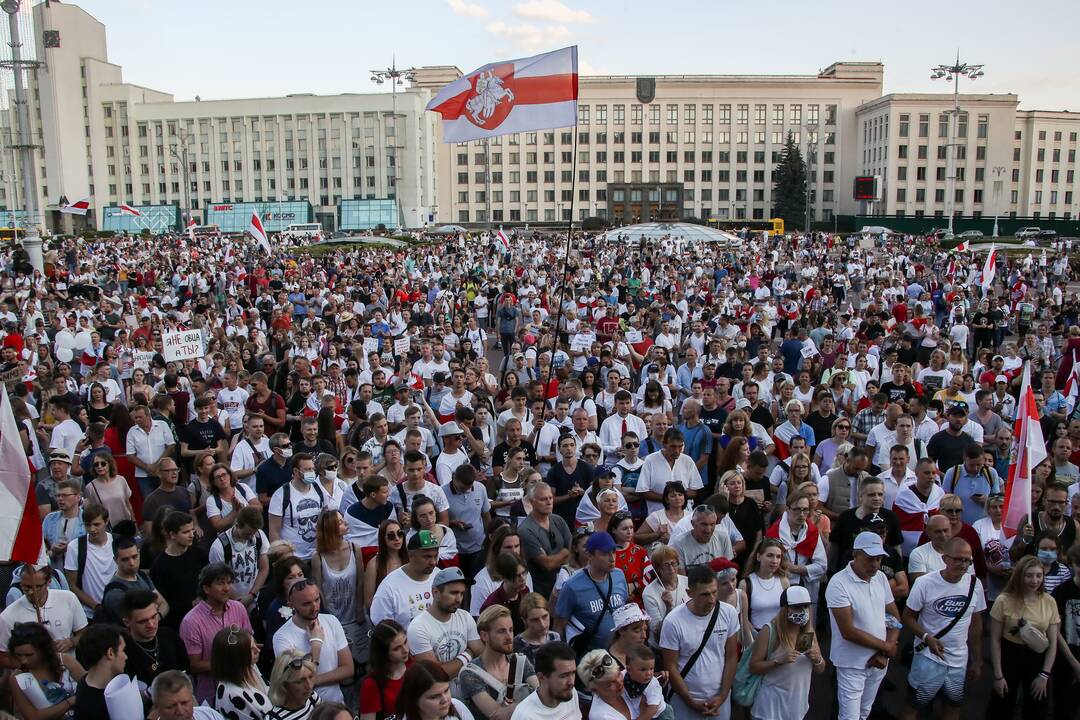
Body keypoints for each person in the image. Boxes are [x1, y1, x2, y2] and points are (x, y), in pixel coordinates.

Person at [900, 537, 985, 720]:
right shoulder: (925, 583)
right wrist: (926, 637)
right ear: (945, 559)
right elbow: (907, 617)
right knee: (913, 707)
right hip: (927, 659)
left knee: (952, 707)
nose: (963, 564)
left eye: (967, 560)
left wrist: (977, 659)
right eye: (958, 559)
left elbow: (976, 624)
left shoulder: (974, 585)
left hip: (958, 661)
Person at [826, 531, 901, 720]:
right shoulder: (838, 584)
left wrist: (885, 653)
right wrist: (887, 648)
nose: (875, 565)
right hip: (851, 664)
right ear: (855, 555)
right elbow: (848, 631)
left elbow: (893, 616)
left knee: (864, 714)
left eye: (879, 559)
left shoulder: (881, 578)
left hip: (879, 662)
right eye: (870, 559)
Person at [659, 564, 739, 720]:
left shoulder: (728, 613)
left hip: (719, 698)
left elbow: (731, 656)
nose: (711, 600)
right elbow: (670, 666)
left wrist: (722, 696)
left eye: (714, 592)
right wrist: (690, 701)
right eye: (704, 595)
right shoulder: (673, 622)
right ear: (689, 593)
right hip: (684, 701)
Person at [989, 555, 1059, 720]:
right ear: (1020, 576)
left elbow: (1053, 642)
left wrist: (1044, 675)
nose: (1034, 580)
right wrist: (998, 676)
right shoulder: (1003, 600)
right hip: (1010, 654)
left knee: (1036, 708)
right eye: (1029, 575)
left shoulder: (1049, 601)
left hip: (1037, 657)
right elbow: (994, 640)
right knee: (1001, 707)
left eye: (1038, 575)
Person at [747, 585, 826, 720]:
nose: (802, 611)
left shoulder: (807, 633)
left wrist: (817, 659)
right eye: (797, 607)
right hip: (769, 709)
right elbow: (754, 667)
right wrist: (778, 661)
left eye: (806, 607)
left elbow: (820, 668)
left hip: (797, 708)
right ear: (785, 609)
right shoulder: (770, 631)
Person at [272, 578, 354, 705]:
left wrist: (314, 680)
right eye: (306, 604)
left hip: (336, 705)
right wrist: (316, 644)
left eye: (317, 600)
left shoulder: (331, 621)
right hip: (307, 711)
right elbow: (295, 679)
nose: (315, 607)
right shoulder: (282, 637)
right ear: (291, 605)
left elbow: (348, 669)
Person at [180, 563, 253, 703]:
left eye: (229, 583)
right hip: (212, 694)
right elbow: (194, 665)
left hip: (245, 686)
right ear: (206, 588)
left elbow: (249, 640)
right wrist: (232, 664)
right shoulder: (191, 622)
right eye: (220, 583)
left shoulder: (239, 608)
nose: (226, 588)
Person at [553, 531, 630, 655]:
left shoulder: (619, 575)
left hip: (617, 655)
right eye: (605, 554)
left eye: (614, 552)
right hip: (587, 660)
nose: (612, 558)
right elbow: (558, 626)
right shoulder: (572, 586)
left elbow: (624, 611)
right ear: (590, 556)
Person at [459, 604, 538, 720]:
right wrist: (531, 703)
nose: (509, 637)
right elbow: (499, 716)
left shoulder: (520, 661)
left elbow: (543, 694)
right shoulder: (470, 673)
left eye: (511, 630)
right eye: (501, 631)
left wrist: (513, 708)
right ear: (484, 636)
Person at [407, 566, 483, 678]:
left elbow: (482, 655)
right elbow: (436, 674)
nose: (459, 599)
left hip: (470, 686)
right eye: (454, 593)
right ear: (435, 592)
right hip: (440, 693)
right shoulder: (418, 627)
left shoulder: (465, 617)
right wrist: (468, 654)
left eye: (462, 593)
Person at [311, 509, 365, 661]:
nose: (346, 523)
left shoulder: (355, 549)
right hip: (333, 618)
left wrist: (360, 608)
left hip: (355, 616)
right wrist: (327, 615)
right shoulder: (318, 557)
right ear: (330, 528)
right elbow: (319, 589)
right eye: (340, 522)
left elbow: (361, 581)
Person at [0, 563, 87, 654]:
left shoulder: (69, 598)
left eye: (37, 587)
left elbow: (83, 633)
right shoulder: (7, 616)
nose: (30, 592)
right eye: (26, 587)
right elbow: (3, 656)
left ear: (49, 581)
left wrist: (71, 642)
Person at [7, 621, 83, 720]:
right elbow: (33, 716)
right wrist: (70, 702)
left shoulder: (65, 661)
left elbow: (90, 685)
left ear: (42, 650)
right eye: (19, 655)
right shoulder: (17, 678)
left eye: (29, 655)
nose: (23, 660)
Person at [151, 510, 209, 631]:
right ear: (172, 534)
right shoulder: (159, 565)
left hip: (206, 615)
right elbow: (162, 601)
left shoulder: (199, 554)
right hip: (179, 624)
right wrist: (190, 605)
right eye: (186, 532)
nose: (192, 535)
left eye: (192, 530)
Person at [370, 529, 441, 627]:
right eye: (427, 557)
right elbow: (384, 631)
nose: (433, 562)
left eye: (435, 556)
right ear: (411, 555)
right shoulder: (389, 588)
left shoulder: (440, 576)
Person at [269, 452, 329, 560]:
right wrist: (283, 558)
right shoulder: (281, 495)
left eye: (312, 469)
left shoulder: (320, 491)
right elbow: (274, 531)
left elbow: (326, 521)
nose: (311, 472)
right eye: (307, 469)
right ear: (296, 471)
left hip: (318, 556)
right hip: (294, 559)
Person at [121, 589, 188, 686]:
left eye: (153, 617)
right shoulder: (123, 652)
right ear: (127, 622)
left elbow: (186, 669)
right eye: (142, 621)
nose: (151, 625)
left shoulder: (169, 636)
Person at [518, 482, 573, 599]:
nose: (549, 502)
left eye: (550, 498)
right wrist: (564, 552)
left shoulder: (558, 520)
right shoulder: (526, 530)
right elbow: (547, 564)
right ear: (532, 502)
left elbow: (574, 550)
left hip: (567, 586)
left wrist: (560, 555)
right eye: (543, 499)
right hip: (543, 591)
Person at [208, 505, 270, 606]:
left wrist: (251, 595)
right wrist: (238, 600)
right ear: (237, 525)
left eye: (254, 533)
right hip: (229, 601)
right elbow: (219, 579)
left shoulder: (259, 536)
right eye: (247, 533)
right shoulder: (219, 546)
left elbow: (264, 568)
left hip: (253, 597)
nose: (251, 537)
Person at [63, 503, 117, 618]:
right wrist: (96, 607)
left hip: (119, 611)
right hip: (90, 614)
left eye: (97, 524)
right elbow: (72, 585)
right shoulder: (75, 547)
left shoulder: (117, 542)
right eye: (88, 525)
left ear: (106, 522)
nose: (92, 529)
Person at [211, 625, 273, 720]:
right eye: (251, 650)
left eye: (255, 645)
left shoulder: (251, 667)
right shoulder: (234, 695)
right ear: (237, 658)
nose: (258, 650)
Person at [510, 641, 581, 720]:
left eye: (573, 673)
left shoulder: (570, 692)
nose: (571, 682)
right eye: (563, 676)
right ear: (541, 677)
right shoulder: (524, 716)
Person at [72, 624, 126, 719]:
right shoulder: (92, 707)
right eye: (123, 650)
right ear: (110, 653)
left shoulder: (85, 682)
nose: (126, 657)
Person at [359, 619, 409, 720]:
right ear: (383, 653)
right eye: (397, 648)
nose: (405, 650)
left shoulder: (414, 666)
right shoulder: (372, 684)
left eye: (405, 642)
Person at [397, 659, 477, 720]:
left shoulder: (457, 706)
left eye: (446, 691)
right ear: (414, 700)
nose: (445, 700)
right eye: (434, 697)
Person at [641, 545, 687, 645]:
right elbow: (657, 631)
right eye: (666, 565)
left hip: (686, 642)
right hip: (663, 646)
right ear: (658, 569)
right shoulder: (649, 593)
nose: (671, 568)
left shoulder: (687, 582)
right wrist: (668, 608)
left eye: (673, 563)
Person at [670, 502, 733, 569]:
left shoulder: (723, 538)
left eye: (712, 524)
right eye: (704, 524)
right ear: (693, 524)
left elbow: (728, 572)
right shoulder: (679, 543)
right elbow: (681, 577)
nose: (708, 530)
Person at [152, 670, 229, 720]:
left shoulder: (209, 715)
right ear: (157, 707)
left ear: (192, 699)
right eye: (170, 707)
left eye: (184, 703)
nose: (180, 711)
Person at [267, 649, 320, 720]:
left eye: (310, 677)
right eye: (300, 681)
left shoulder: (312, 697)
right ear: (284, 685)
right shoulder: (274, 718)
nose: (309, 686)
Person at [513, 593, 561, 665]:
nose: (542, 624)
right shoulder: (517, 644)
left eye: (545, 616)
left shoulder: (555, 637)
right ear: (524, 620)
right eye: (535, 620)